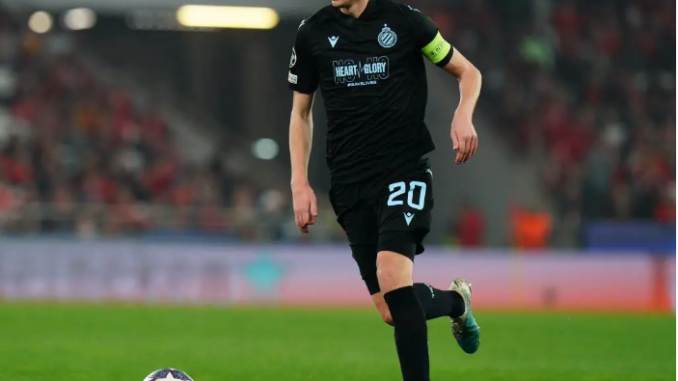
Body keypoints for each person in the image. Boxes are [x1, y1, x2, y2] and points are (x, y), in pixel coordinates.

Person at [287, 1, 482, 380]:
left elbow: (468, 72)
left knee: (393, 278)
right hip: (348, 184)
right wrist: (299, 181)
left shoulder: (405, 22)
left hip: (402, 171)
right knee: (394, 309)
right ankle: (458, 302)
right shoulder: (311, 33)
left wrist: (463, 114)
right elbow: (301, 113)